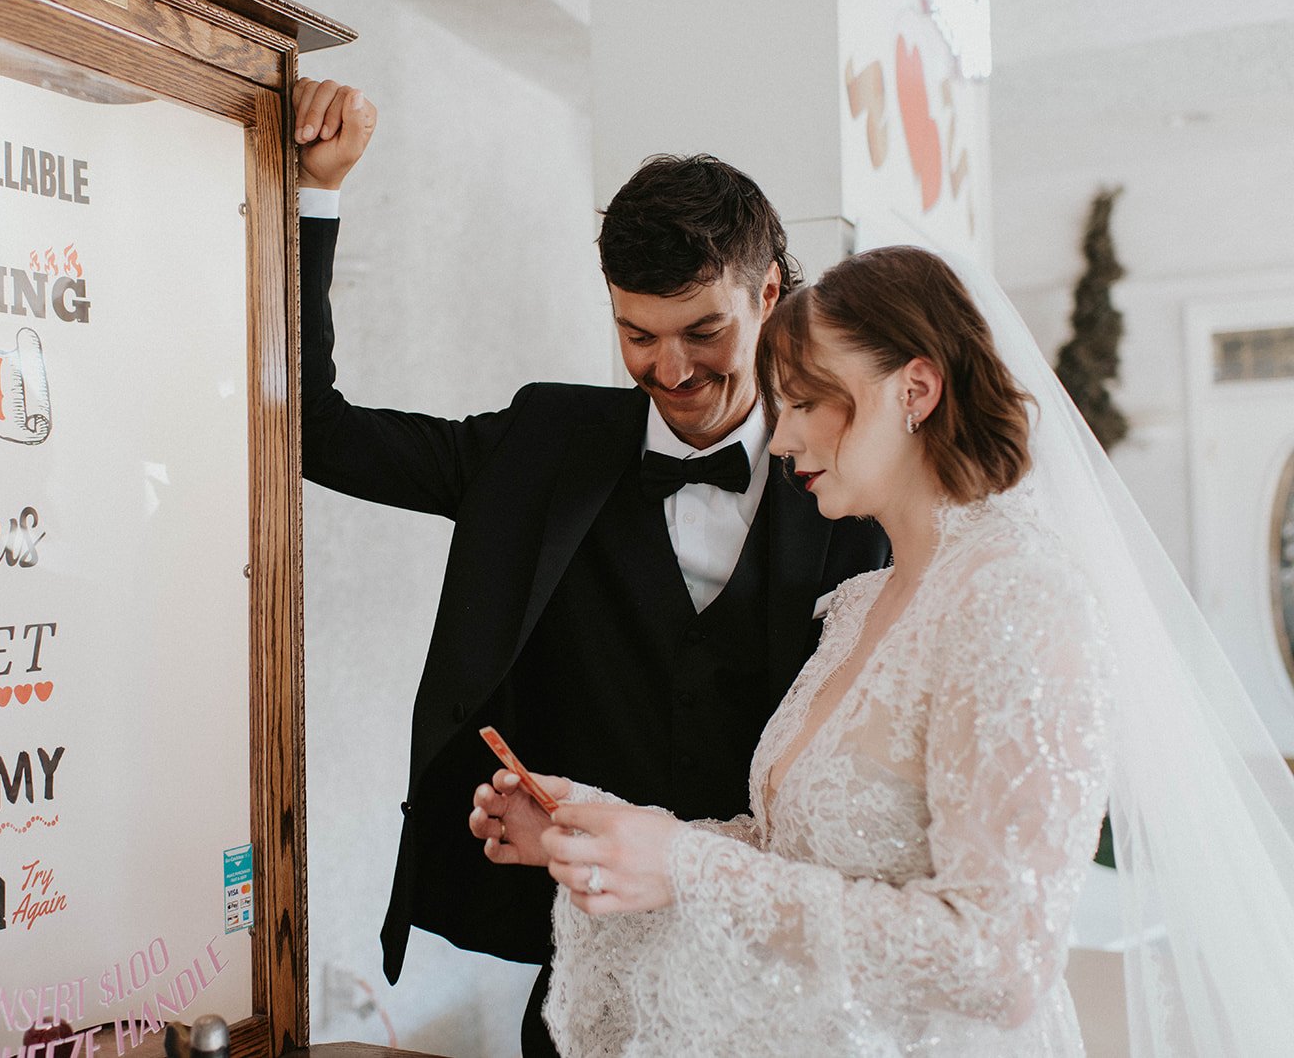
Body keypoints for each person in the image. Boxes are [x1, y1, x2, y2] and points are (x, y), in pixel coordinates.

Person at [472, 244, 1294, 1056]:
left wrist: (685, 867)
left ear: (916, 389)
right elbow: (791, 855)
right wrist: (603, 831)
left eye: (803, 404)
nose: (781, 439)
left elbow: (998, 962)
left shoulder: (1019, 598)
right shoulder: (865, 602)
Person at [293, 77, 888, 1055]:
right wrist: (318, 193)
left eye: (704, 332)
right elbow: (317, 431)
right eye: (636, 335)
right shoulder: (542, 443)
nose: (671, 370)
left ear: (770, 293)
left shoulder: (853, 481)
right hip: (585, 982)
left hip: (791, 985)